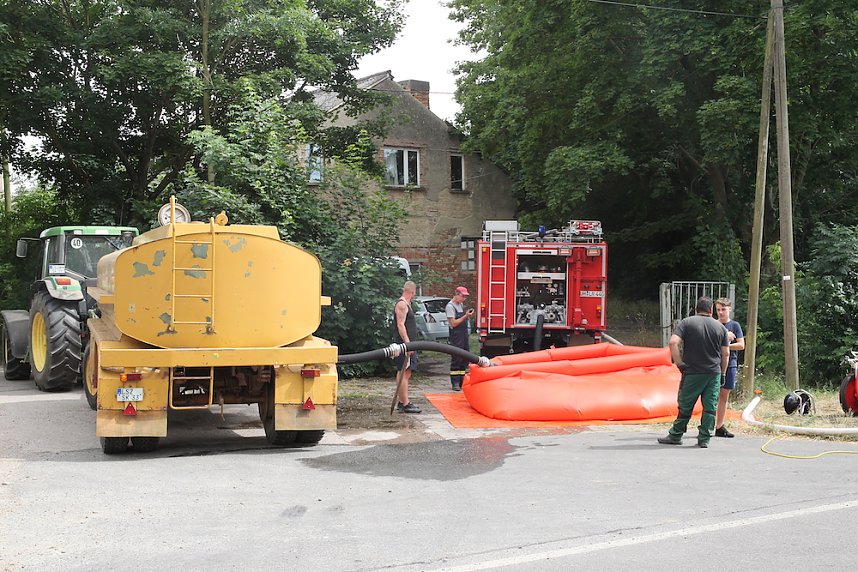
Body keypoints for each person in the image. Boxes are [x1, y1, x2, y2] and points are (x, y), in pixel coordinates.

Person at [658, 296, 729, 448]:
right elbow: (726, 354)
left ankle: (676, 435)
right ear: (711, 310)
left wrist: (679, 364)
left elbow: (673, 342)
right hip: (713, 373)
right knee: (710, 407)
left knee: (685, 405)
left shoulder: (687, 322)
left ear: (696, 309)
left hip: (692, 372)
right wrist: (722, 373)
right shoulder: (720, 327)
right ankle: (704, 439)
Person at [714, 297, 744, 438]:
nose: (720, 312)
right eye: (718, 310)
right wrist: (725, 338)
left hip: (730, 363)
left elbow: (741, 345)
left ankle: (719, 426)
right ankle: (707, 424)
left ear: (729, 309)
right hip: (713, 363)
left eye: (723, 309)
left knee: (724, 395)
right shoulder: (714, 325)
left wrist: (726, 345)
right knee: (711, 395)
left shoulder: (735, 325)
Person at [392, 281, 421, 413]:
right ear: (412, 292)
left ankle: (402, 401)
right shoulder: (402, 304)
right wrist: (408, 344)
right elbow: (400, 325)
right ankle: (405, 404)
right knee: (403, 372)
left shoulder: (407, 304)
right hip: (404, 345)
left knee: (405, 373)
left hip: (408, 344)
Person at [445, 286, 474, 391]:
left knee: (465, 358)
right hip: (456, 336)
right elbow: (453, 323)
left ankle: (462, 380)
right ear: (456, 294)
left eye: (465, 297)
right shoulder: (450, 306)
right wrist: (465, 316)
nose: (464, 299)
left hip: (463, 335)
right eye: (463, 296)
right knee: (456, 358)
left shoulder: (460, 305)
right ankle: (455, 382)